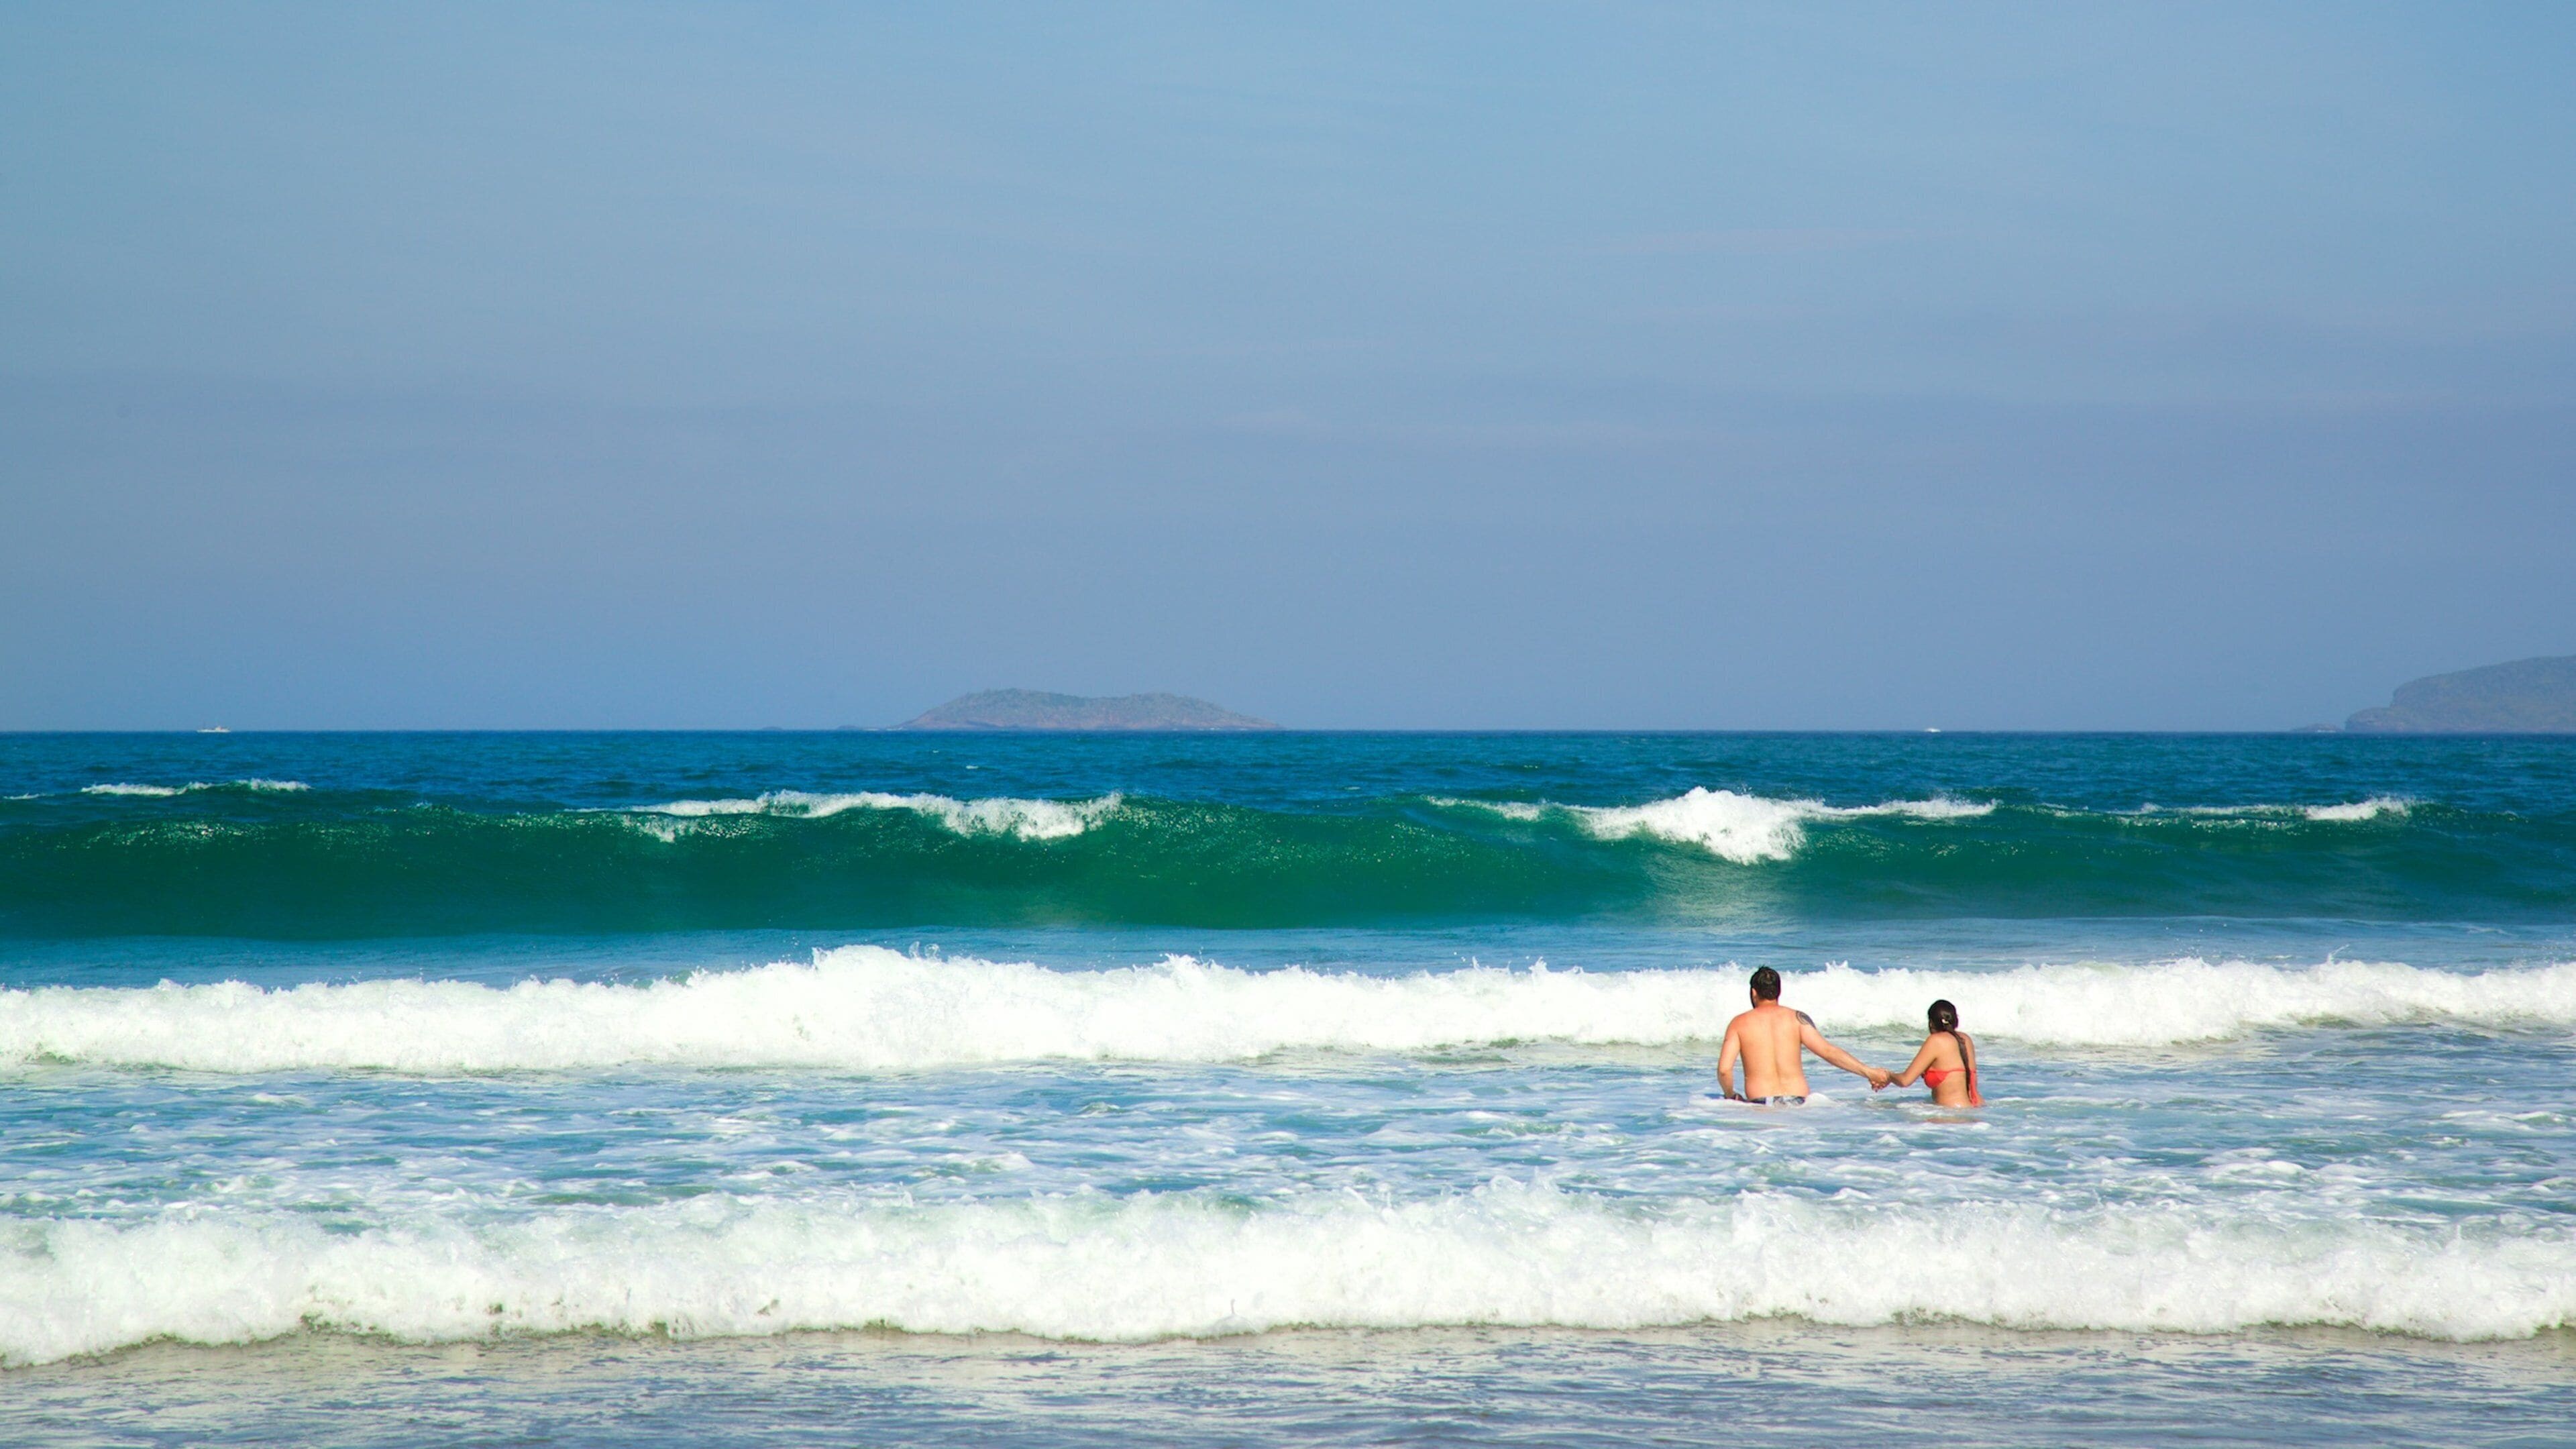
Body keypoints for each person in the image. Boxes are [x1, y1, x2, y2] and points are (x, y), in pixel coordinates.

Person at [1716, 967, 1889, 1104]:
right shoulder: (1797, 1019)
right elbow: (1828, 1052)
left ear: (1754, 992)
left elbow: (1724, 1070)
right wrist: (1869, 1072)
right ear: (1778, 992)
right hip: (1800, 1105)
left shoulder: (1739, 1023)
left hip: (1761, 1107)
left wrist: (1730, 1096)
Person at [1890, 998, 1983, 1107]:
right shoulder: (1966, 1039)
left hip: (1952, 1113)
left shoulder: (1936, 1041)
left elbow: (1905, 1081)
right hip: (1976, 1108)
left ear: (1931, 1023)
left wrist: (1889, 1076)